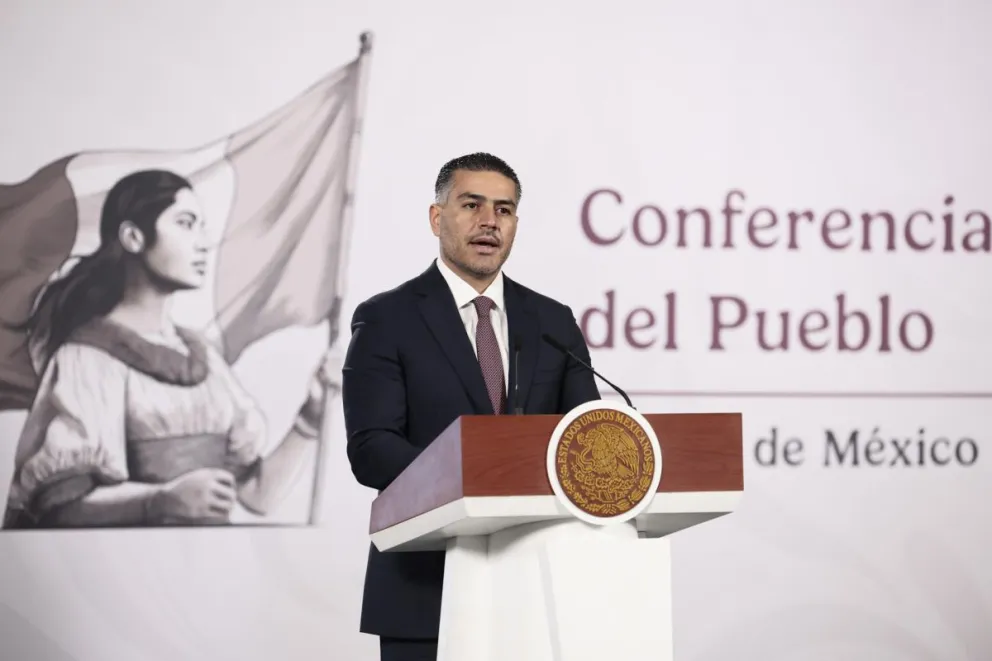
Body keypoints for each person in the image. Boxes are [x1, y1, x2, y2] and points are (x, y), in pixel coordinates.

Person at [341, 152, 602, 661]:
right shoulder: (386, 318)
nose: (489, 222)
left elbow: (584, 440)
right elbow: (371, 449)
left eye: (503, 210)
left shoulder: (552, 321)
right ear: (437, 217)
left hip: (537, 584)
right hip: (426, 587)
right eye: (472, 205)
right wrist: (477, 477)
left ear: (516, 225)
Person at [3, 169, 333, 529]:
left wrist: (310, 418)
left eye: (202, 226)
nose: (204, 242)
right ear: (133, 237)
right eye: (186, 223)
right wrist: (159, 501)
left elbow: (256, 495)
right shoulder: (87, 358)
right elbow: (60, 508)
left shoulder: (203, 356)